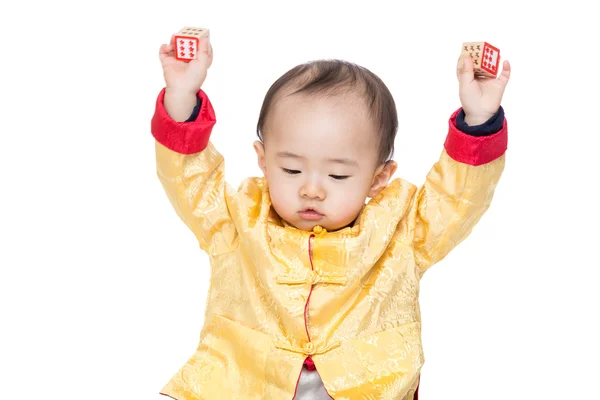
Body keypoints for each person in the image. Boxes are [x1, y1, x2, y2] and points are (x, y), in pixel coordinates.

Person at [151, 34, 510, 400]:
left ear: (378, 178)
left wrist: (478, 120)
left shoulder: (402, 232)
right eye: (291, 169)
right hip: (246, 383)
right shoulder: (236, 222)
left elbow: (457, 199)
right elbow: (189, 181)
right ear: (262, 159)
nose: (311, 189)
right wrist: (182, 98)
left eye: (337, 176)